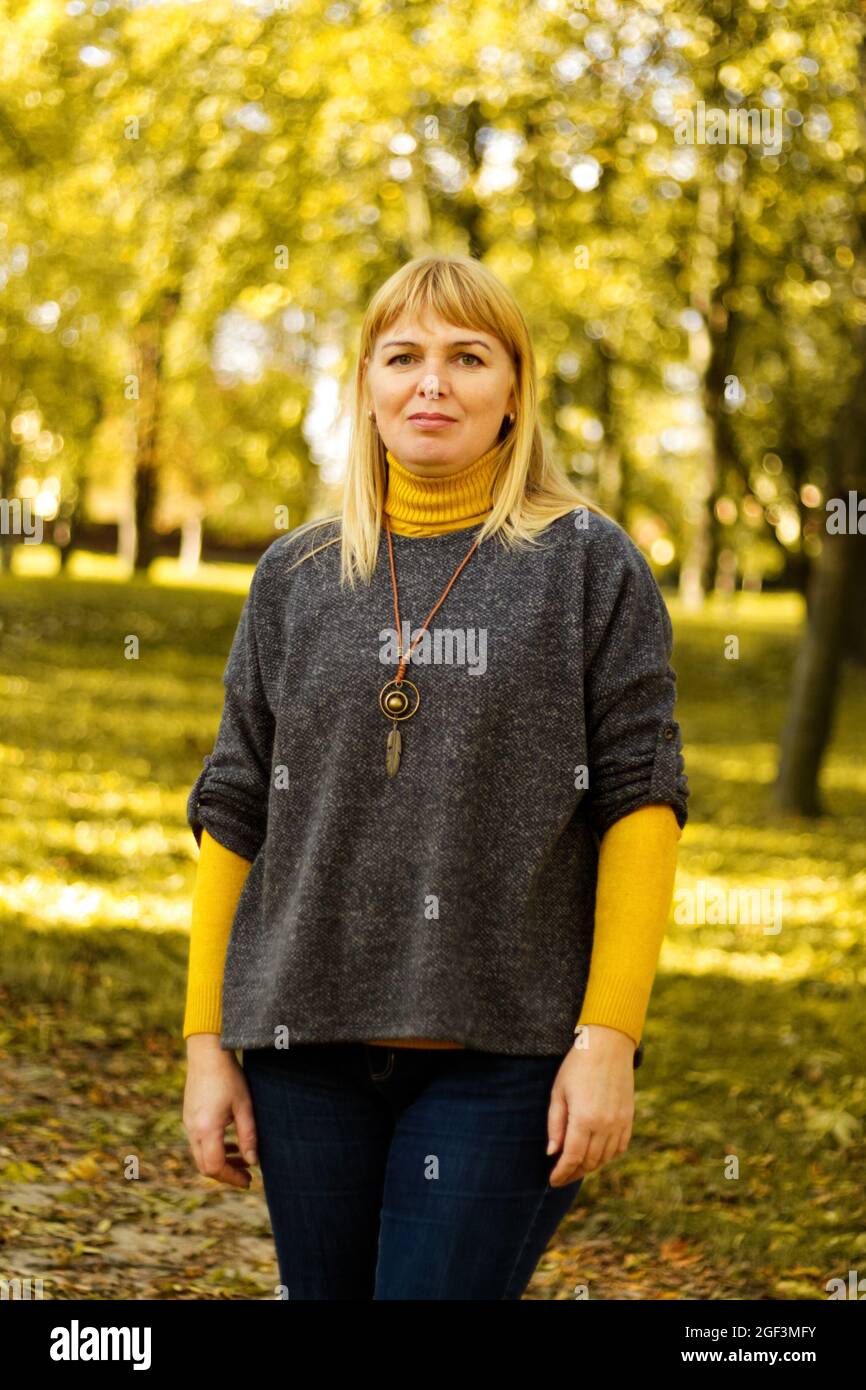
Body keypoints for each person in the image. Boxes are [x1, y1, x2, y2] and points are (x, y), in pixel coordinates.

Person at [182, 253, 689, 1300]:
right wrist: (205, 1041)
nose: (431, 382)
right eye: (401, 356)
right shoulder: (296, 575)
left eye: (467, 357)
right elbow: (233, 805)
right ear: (364, 389)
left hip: (508, 1053)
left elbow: (640, 803)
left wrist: (608, 1038)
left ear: (512, 391)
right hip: (302, 1043)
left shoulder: (586, 564)